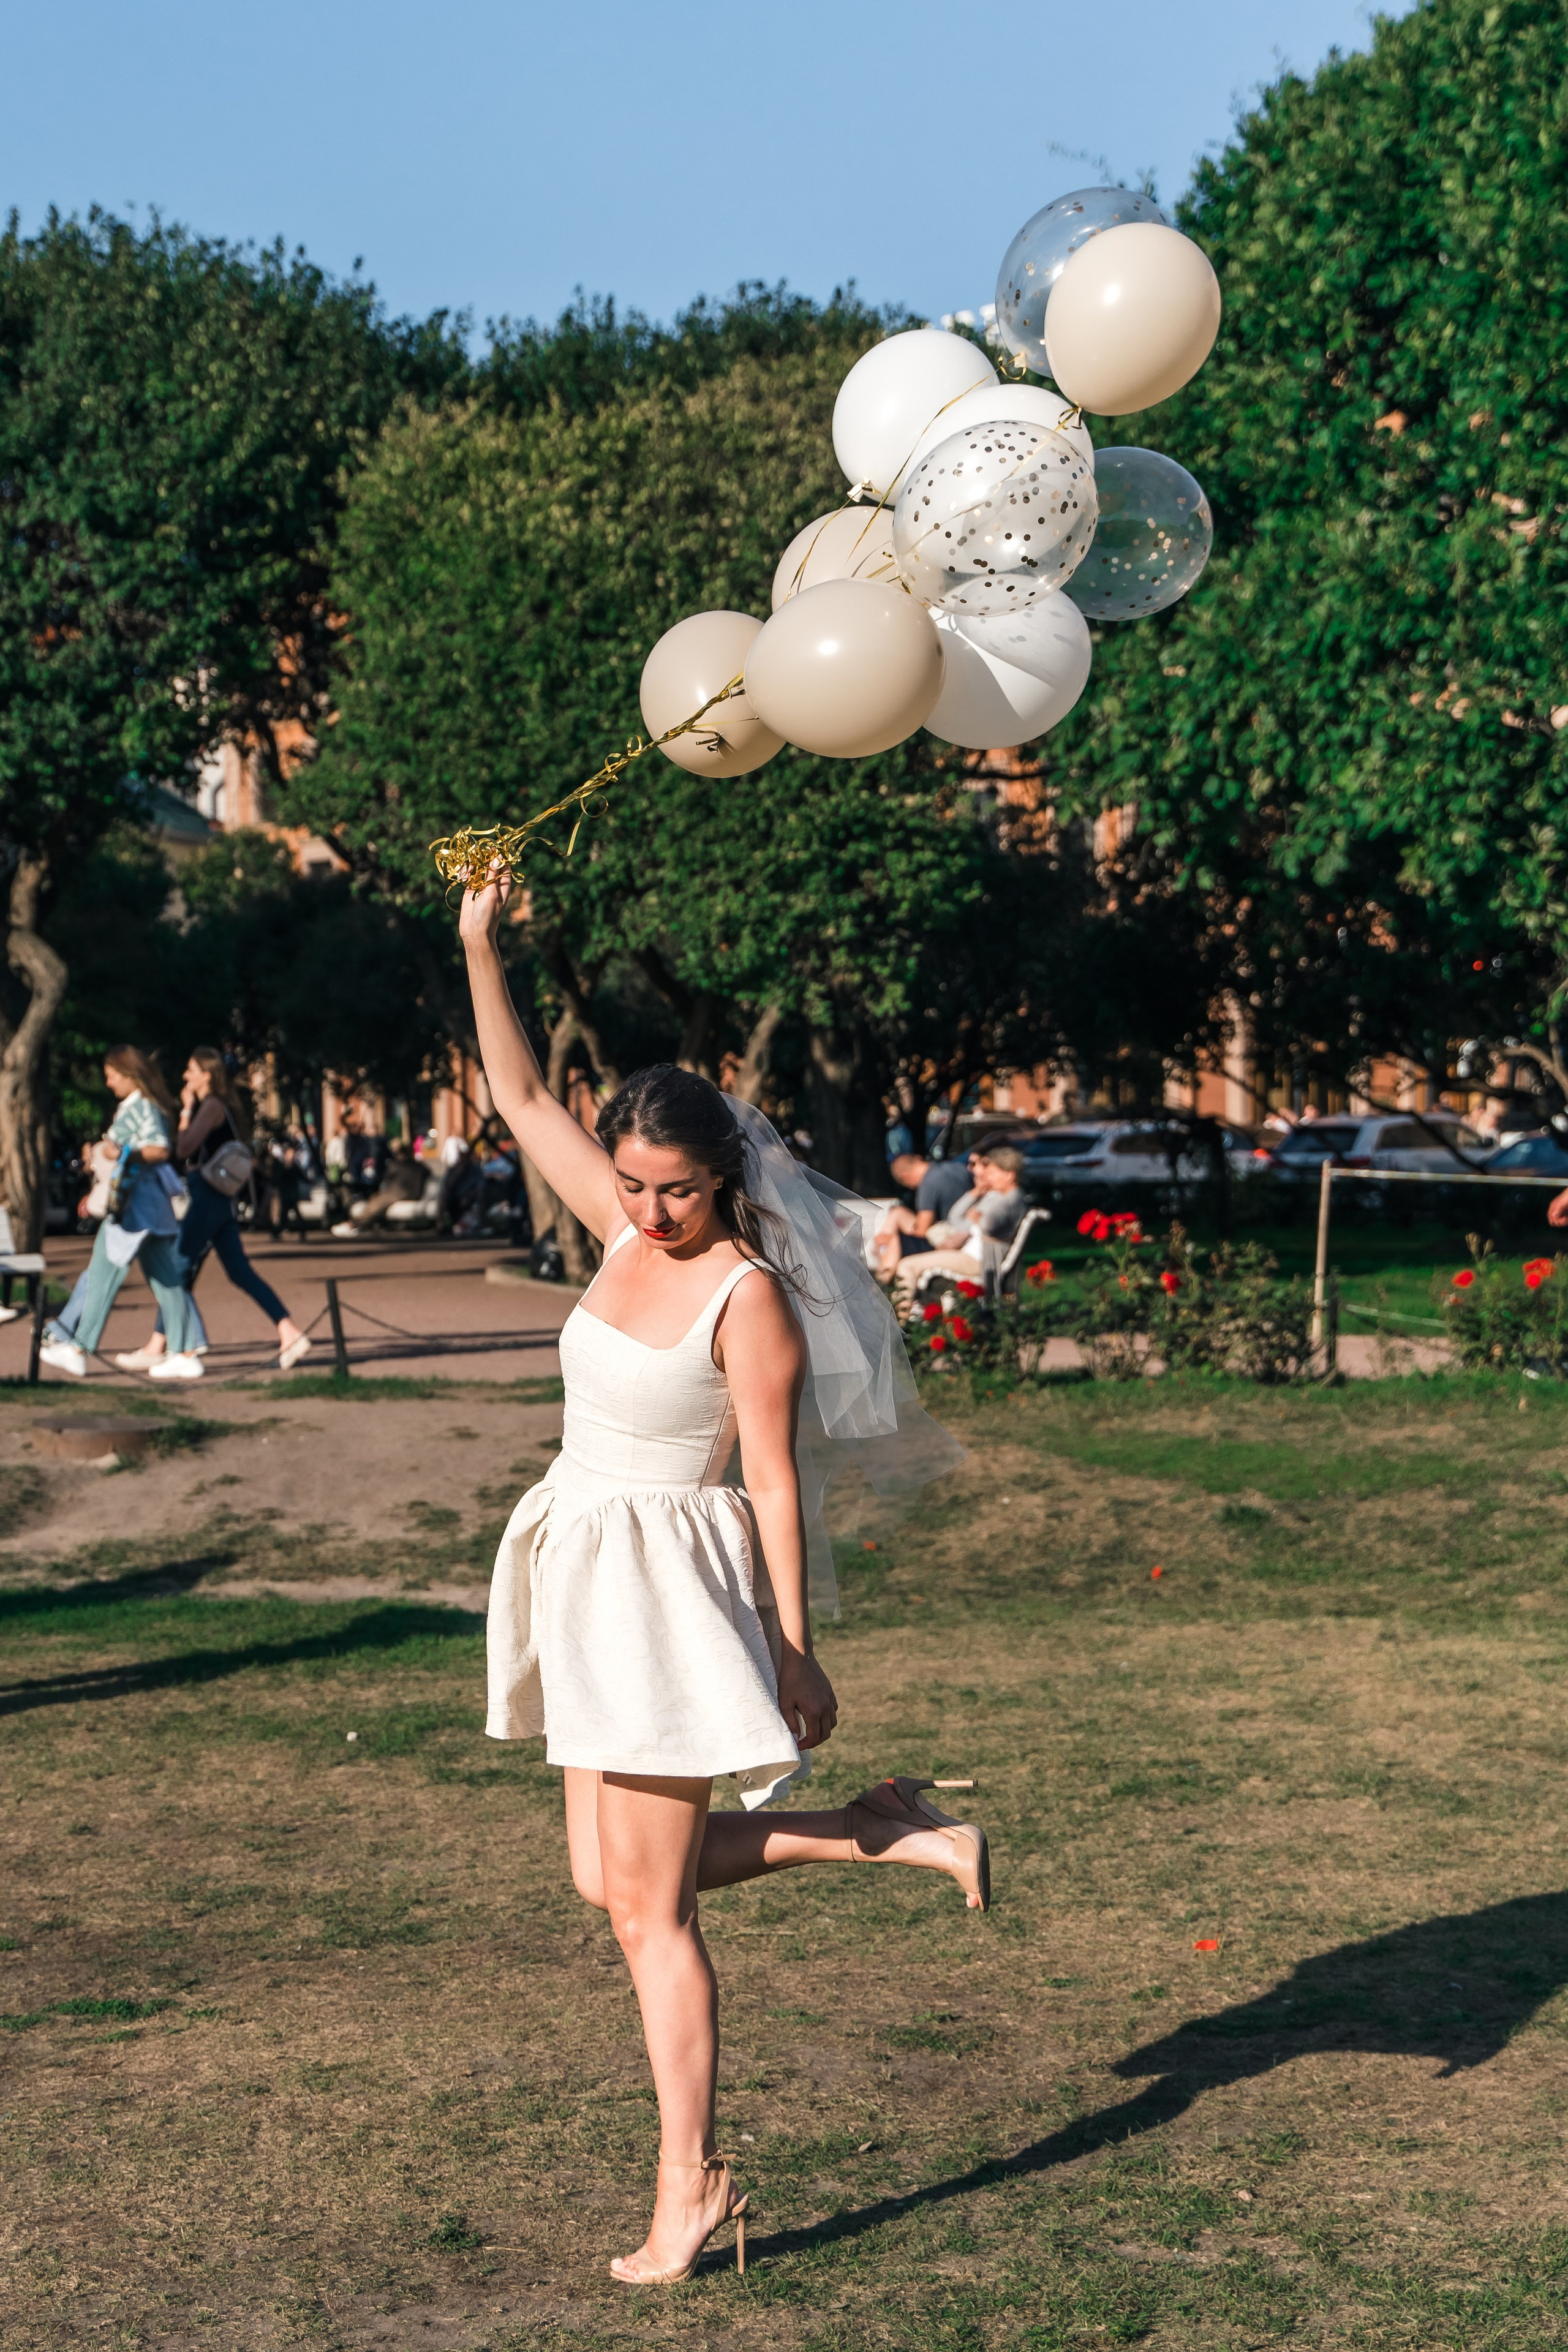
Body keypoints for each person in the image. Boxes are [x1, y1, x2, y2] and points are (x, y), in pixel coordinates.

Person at [459, 867, 977, 2288]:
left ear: (722, 1174)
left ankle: (690, 2183)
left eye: (674, 1186)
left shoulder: (746, 1294)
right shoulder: (623, 1228)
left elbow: (768, 1478)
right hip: (586, 1555)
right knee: (605, 1876)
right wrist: (478, 945)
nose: (647, 1206)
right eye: (631, 1183)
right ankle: (888, 1829)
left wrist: (793, 1648)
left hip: (670, 1588)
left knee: (650, 1908)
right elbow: (516, 1100)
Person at [112, 1050, 312, 1376]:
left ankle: (169, 1349)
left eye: (190, 1071)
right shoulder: (223, 1106)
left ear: (207, 1074)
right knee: (235, 1271)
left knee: (175, 1269)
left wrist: (188, 1108)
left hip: (208, 1197)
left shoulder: (212, 1106)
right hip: (218, 1199)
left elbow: (183, 1148)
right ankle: (290, 1333)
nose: (185, 1077)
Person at [38, 1047, 205, 1380]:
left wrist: (120, 1151)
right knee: (168, 1281)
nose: (108, 1082)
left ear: (130, 1074)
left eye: (112, 1075)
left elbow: (159, 1150)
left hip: (131, 1211)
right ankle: (186, 1351)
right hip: (150, 1210)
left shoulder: (140, 1107)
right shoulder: (142, 1106)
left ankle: (79, 1348)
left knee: (102, 1275)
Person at [891, 1145, 1029, 1314]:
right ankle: (906, 1317)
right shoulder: (995, 1196)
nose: (988, 1177)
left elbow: (988, 1225)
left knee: (907, 1266)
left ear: (1009, 1175)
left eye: (993, 1173)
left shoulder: (1011, 1199)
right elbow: (955, 1217)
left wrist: (976, 1219)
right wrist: (975, 1194)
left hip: (978, 1260)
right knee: (910, 1264)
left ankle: (900, 1323)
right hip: (968, 1254)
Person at [875, 1150, 978, 1278]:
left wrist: (895, 1236)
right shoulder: (956, 1167)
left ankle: (882, 1278)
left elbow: (922, 1231)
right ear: (919, 1158)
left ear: (906, 1177)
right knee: (897, 1213)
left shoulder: (928, 1184)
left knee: (894, 1238)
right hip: (968, 1227)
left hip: (950, 1236)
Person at [329, 1140, 428, 1235]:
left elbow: (386, 1176)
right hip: (410, 1193)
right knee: (375, 1200)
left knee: (376, 1203)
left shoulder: (398, 1165)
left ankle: (352, 1225)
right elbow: (427, 1172)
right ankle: (360, 1225)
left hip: (398, 1192)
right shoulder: (420, 1167)